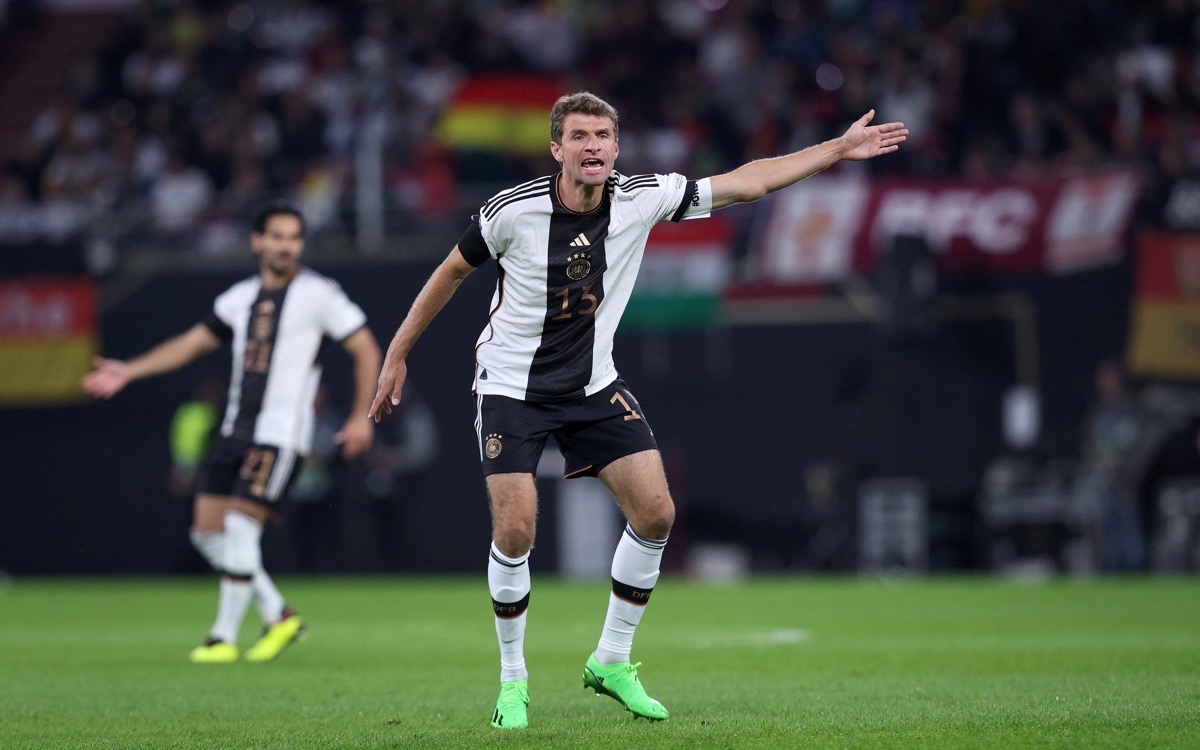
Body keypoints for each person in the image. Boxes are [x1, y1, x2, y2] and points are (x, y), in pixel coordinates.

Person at [367, 92, 906, 729]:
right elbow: (449, 273)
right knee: (515, 531)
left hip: (593, 385)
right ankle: (514, 681)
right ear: (557, 149)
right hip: (511, 385)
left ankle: (612, 660)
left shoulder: (643, 195)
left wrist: (838, 150)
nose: (592, 146)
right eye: (579, 136)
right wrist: (399, 351)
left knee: (656, 512)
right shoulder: (512, 211)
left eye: (603, 135)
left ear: (616, 147)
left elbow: (746, 183)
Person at [83, 203, 381, 663]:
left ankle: (222, 637)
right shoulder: (238, 298)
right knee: (207, 534)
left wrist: (361, 415)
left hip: (281, 435)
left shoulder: (319, 293)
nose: (287, 246)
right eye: (278, 236)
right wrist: (129, 370)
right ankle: (278, 614)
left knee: (241, 527)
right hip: (233, 430)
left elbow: (364, 346)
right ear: (256, 241)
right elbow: (189, 344)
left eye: (295, 238)